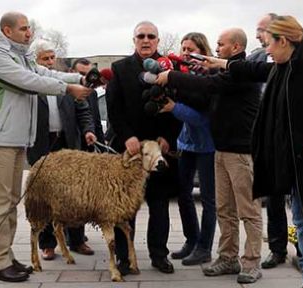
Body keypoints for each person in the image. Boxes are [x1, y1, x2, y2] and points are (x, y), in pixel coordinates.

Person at [196, 15, 303, 288]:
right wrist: (220, 63)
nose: (266, 51)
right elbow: (254, 70)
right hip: (297, 163)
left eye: (269, 44)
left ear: (284, 41)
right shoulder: (286, 65)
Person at [0, 11, 91, 282]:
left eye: (30, 28)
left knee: (10, 201)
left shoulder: (21, 55)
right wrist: (67, 89)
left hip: (15, 138)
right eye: (24, 28)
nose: (29, 33)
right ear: (7, 31)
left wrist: (80, 79)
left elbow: (44, 72)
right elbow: (28, 82)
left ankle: (5, 256)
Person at [155, 28, 263, 284]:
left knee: (248, 211)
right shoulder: (224, 69)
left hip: (241, 153)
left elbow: (207, 85)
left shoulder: (242, 72)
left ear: (235, 47)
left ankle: (251, 263)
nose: (216, 49)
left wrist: (171, 76)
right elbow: (205, 83)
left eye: (220, 44)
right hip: (221, 150)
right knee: (224, 209)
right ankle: (227, 258)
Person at [106, 20, 182, 275]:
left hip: (160, 150)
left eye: (151, 36)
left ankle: (159, 255)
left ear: (158, 41)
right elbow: (114, 108)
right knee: (125, 208)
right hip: (130, 150)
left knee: (159, 205)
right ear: (134, 40)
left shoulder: (170, 68)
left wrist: (169, 137)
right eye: (141, 36)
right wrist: (126, 135)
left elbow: (176, 105)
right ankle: (125, 258)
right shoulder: (120, 68)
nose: (146, 40)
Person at [26, 40, 96, 260]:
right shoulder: (30, 84)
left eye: (51, 57)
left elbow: (83, 110)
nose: (50, 62)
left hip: (68, 144)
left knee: (74, 196)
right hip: (42, 145)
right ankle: (47, 244)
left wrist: (87, 130)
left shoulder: (65, 83)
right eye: (45, 59)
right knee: (44, 197)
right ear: (35, 62)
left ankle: (76, 240)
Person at [161, 32, 216, 266]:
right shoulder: (181, 75)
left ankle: (204, 247)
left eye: (190, 48)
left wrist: (174, 108)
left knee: (208, 199)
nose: (185, 52)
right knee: (183, 193)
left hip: (207, 145)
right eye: (183, 48)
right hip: (187, 143)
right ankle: (191, 240)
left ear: (203, 51)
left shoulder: (210, 76)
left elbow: (204, 119)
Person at [248, 13, 290, 269]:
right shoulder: (255, 58)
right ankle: (277, 249)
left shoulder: (289, 60)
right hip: (265, 141)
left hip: (289, 140)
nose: (257, 35)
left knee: (298, 203)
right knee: (273, 200)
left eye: (261, 30)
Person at [70, 58, 105, 147]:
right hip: (71, 145)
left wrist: (102, 147)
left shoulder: (93, 94)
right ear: (71, 72)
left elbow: (97, 123)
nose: (85, 79)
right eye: (81, 74)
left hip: (89, 144)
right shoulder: (64, 93)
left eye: (88, 75)